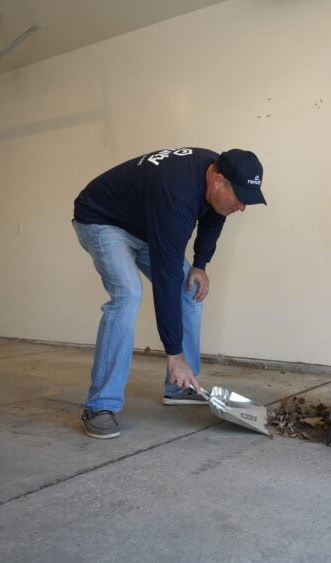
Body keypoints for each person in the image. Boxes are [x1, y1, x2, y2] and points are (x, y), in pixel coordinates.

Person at [72, 147, 266, 439]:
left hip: (146, 225)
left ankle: (180, 386)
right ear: (218, 181)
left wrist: (200, 265)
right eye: (239, 198)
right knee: (128, 294)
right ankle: (100, 405)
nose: (242, 207)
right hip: (103, 220)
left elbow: (215, 216)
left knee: (191, 288)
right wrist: (173, 354)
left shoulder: (217, 171)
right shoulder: (177, 193)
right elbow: (166, 278)